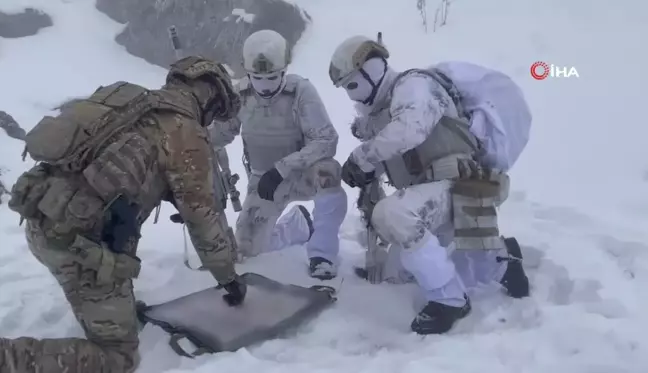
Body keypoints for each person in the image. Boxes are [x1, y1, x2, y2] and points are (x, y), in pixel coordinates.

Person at [0, 56, 247, 373]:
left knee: (114, 302)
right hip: (81, 249)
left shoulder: (129, 99)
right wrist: (228, 278)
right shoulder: (186, 133)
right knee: (118, 359)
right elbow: (204, 224)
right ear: (212, 96)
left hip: (38, 216)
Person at [328, 35, 530, 335]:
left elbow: (411, 129)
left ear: (371, 72)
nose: (352, 97)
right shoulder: (381, 113)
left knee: (394, 215)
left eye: (353, 86)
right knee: (397, 274)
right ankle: (502, 257)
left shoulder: (414, 87)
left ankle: (449, 300)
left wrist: (362, 158)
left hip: (463, 186)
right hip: (432, 195)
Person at [210, 29, 348, 280]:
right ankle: (298, 225)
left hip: (303, 174)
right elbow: (220, 135)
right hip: (263, 181)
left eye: (272, 77)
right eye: (257, 77)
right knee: (248, 248)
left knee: (329, 172)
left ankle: (322, 255)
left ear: (284, 70)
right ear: (246, 71)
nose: (264, 86)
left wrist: (283, 168)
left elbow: (327, 140)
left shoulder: (300, 92)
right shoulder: (239, 96)